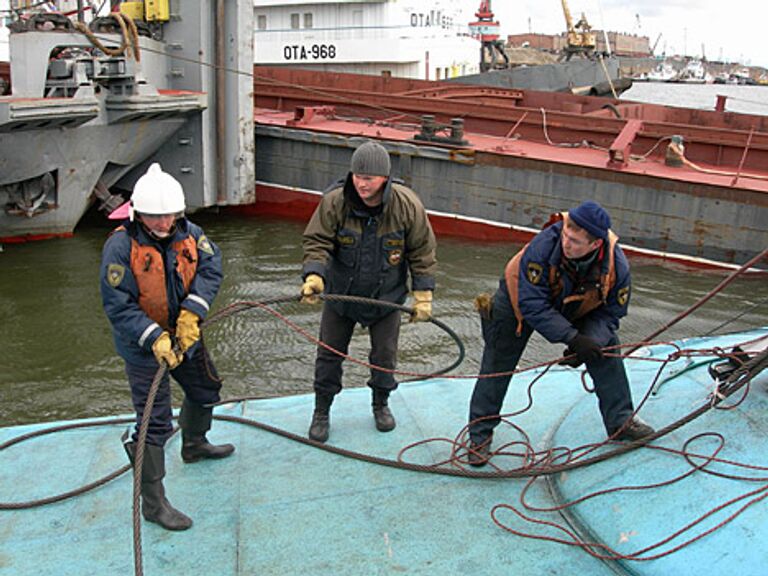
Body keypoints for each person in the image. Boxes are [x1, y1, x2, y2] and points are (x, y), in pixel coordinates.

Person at [467, 200, 654, 466]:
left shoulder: (617, 267)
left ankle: (621, 422)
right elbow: (533, 306)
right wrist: (572, 338)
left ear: (595, 245)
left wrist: (591, 342)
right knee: (498, 361)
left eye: (575, 241)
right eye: (566, 235)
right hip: (519, 299)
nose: (566, 243)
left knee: (607, 350)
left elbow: (612, 312)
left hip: (578, 301)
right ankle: (479, 436)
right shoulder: (543, 246)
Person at [100, 163, 234, 530]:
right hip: (144, 349)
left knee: (206, 388)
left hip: (186, 336)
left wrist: (192, 312)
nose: (163, 223)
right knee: (153, 424)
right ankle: (154, 504)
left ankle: (195, 444)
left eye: (169, 215)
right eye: (155, 217)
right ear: (138, 214)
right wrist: (154, 337)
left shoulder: (191, 235)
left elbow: (211, 268)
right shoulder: (119, 247)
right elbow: (118, 304)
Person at [300, 140, 437, 443]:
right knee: (328, 356)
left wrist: (423, 293)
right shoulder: (334, 202)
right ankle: (321, 410)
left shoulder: (407, 206)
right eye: (357, 176)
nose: (362, 184)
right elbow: (317, 241)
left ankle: (381, 404)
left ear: (384, 178)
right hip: (341, 297)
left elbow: (422, 250)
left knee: (384, 357)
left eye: (369, 178)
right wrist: (314, 275)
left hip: (386, 299)